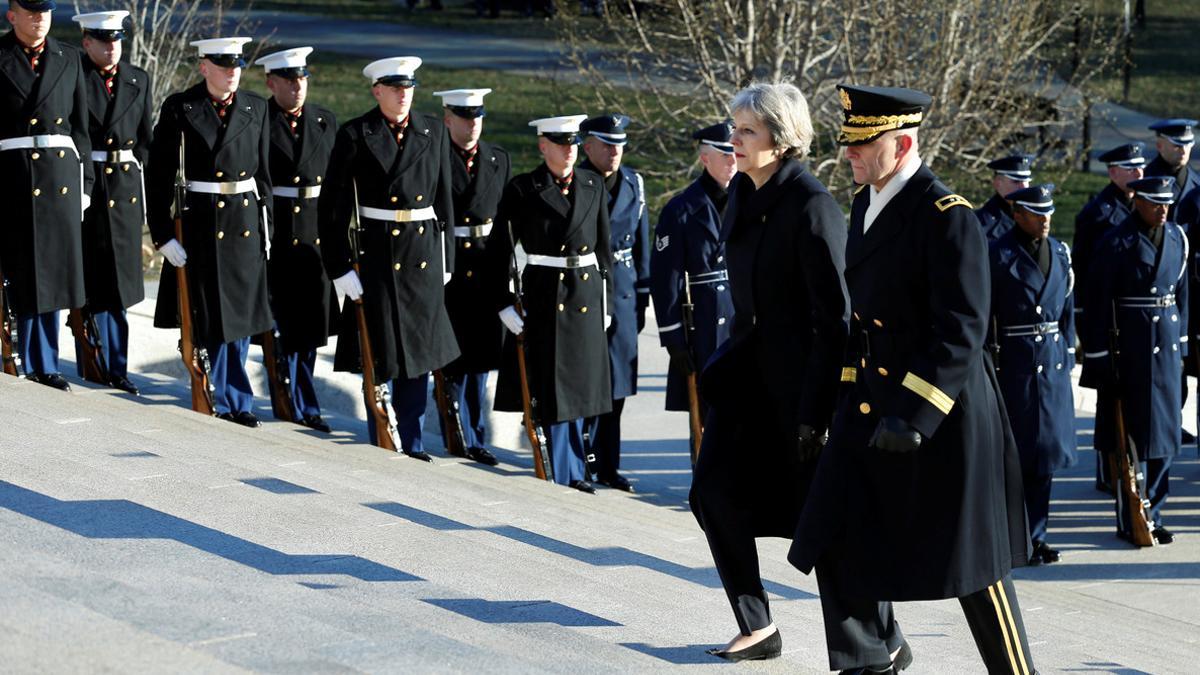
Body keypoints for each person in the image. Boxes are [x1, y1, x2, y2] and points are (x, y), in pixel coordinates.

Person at [790, 84, 1036, 674]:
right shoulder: (865, 202)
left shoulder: (946, 215)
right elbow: (863, 321)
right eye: (847, 143)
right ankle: (871, 660)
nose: (848, 154)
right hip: (871, 401)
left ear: (900, 144)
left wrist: (917, 414)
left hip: (941, 412)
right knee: (833, 530)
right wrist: (823, 406)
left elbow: (962, 330)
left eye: (861, 144)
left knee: (976, 568)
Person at [688, 83, 853, 664]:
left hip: (798, 395)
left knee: (824, 526)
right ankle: (757, 624)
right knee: (712, 494)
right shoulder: (742, 195)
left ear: (780, 141)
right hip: (746, 384)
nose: (733, 140)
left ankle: (877, 642)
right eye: (733, 128)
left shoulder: (812, 206)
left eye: (746, 131)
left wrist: (816, 412)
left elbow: (835, 321)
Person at [318, 56, 458, 460]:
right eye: (394, 88)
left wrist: (444, 257)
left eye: (408, 87)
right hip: (377, 253)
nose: (402, 95)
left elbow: (444, 199)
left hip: (422, 255)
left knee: (417, 355)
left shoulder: (432, 130)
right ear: (376, 90)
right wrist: (339, 266)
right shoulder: (356, 134)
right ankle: (381, 431)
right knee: (379, 351)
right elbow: (333, 209)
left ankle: (410, 440)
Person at [148, 37, 274, 427]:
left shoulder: (256, 107)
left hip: (244, 224)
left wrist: (265, 225)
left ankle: (237, 398)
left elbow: (264, 176)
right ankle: (227, 395)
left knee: (241, 316)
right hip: (202, 222)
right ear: (204, 67)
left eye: (236, 64)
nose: (232, 71)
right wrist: (163, 234)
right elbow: (158, 176)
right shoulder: (181, 108)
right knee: (213, 316)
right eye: (223, 64)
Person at [486, 114, 614, 494]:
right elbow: (499, 252)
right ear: (544, 146)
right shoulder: (524, 189)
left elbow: (604, 251)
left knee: (582, 389)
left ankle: (578, 466)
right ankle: (564, 470)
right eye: (561, 143)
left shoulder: (592, 184)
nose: (570, 150)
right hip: (546, 294)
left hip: (586, 295)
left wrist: (605, 302)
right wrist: (504, 305)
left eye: (574, 143)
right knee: (555, 391)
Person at [1081, 176, 1187, 546]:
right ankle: (1131, 515)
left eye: (1167, 203)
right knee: (1131, 440)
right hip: (1131, 351)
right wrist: (1099, 360)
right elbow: (1097, 306)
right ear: (1138, 201)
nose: (1163, 210)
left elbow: (1182, 296)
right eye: (1155, 202)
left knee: (1165, 437)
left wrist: (1183, 349)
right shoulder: (1116, 243)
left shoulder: (1178, 237)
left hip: (1167, 350)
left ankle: (1155, 511)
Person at [0, 0, 93, 391]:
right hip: (12, 175)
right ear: (12, 15)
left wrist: (85, 185)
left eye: (46, 12)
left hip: (59, 180)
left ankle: (45, 363)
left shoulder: (69, 57)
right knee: (20, 269)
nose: (40, 19)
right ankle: (15, 351)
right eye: (31, 11)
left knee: (53, 273)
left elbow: (81, 128)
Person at [988, 184, 1078, 566]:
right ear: (1017, 214)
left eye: (1049, 214)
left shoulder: (1060, 252)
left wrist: (1069, 352)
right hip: (1014, 364)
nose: (1045, 221)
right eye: (1036, 214)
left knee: (1045, 459)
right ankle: (1012, 539)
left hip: (1051, 364)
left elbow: (1067, 309)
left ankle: (1037, 536)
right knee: (1015, 459)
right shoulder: (997, 255)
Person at [253, 46, 338, 433]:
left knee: (309, 324)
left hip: (314, 236)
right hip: (279, 229)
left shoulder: (324, 120)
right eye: (288, 80)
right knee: (278, 323)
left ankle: (306, 399)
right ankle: (283, 396)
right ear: (271, 83)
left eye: (302, 78)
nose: (297, 86)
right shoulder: (259, 119)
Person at [70, 10, 150, 396]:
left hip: (124, 190)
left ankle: (116, 366)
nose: (111, 47)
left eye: (117, 40)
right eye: (103, 40)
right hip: (87, 186)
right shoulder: (73, 74)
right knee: (88, 279)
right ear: (87, 42)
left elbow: (146, 140)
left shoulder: (138, 79)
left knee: (118, 285)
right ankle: (89, 356)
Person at [432, 87, 511, 466]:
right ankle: (455, 429)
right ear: (448, 119)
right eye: (465, 117)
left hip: (486, 267)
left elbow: (507, 223)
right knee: (453, 360)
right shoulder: (435, 156)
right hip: (450, 266)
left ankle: (476, 435)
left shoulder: (498, 158)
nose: (472, 124)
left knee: (480, 359)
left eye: (477, 116)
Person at [579, 113, 650, 493]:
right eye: (607, 144)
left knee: (617, 386)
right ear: (587, 146)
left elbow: (641, 242)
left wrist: (642, 296)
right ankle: (581, 457)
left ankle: (610, 464)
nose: (614, 152)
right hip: (587, 285)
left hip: (622, 289)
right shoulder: (576, 180)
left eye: (619, 145)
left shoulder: (634, 182)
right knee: (586, 380)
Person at [649, 121, 736, 428]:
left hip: (742, 323)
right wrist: (673, 338)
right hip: (704, 326)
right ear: (705, 158)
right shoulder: (681, 209)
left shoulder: (751, 199)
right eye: (725, 155)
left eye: (736, 153)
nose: (733, 161)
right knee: (706, 421)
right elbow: (665, 280)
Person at [1074, 142, 1146, 491]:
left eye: (1140, 168)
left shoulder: (1144, 205)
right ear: (1113, 172)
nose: (1138, 174)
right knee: (1109, 400)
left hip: (1134, 322)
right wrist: (1089, 332)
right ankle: (1108, 469)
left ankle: (1131, 464)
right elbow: (1085, 276)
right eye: (1130, 169)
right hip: (1108, 320)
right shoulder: (1095, 215)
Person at [976, 153, 1033, 242]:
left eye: (1026, 181)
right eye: (1016, 182)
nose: (1024, 187)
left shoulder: (1036, 217)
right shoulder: (980, 222)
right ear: (998, 183)